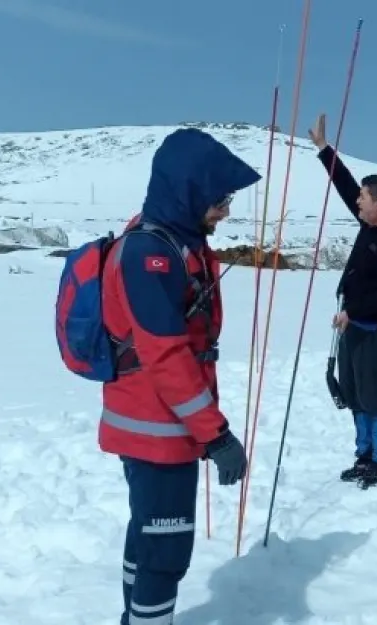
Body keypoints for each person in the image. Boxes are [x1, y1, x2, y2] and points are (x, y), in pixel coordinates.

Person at [99, 128, 257, 625]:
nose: (225, 210)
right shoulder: (151, 255)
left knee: (147, 536)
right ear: (189, 190)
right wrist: (217, 435)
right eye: (219, 199)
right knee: (164, 554)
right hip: (157, 431)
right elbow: (166, 355)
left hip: (155, 425)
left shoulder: (169, 238)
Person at [309, 113, 377, 489]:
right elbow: (345, 186)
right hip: (352, 326)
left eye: (364, 198)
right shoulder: (370, 224)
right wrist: (325, 151)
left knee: (375, 396)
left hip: (376, 329)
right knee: (354, 393)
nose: (357, 201)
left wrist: (352, 310)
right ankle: (364, 454)